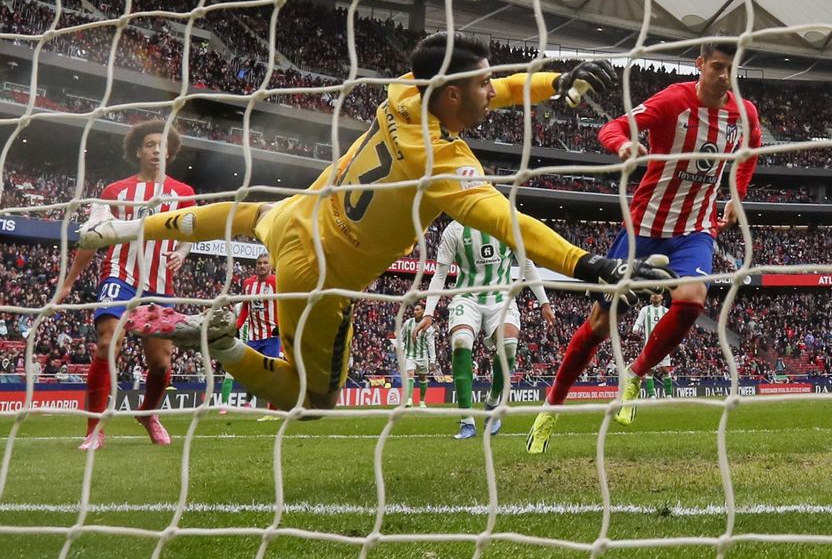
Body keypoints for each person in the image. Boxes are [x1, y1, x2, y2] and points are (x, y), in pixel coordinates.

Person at [78, 33, 669, 412]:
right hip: (319, 276)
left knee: (238, 212)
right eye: (482, 84)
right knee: (311, 399)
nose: (495, 90)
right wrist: (591, 264)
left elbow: (499, 89)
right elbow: (511, 224)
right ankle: (226, 344)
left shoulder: (404, 95)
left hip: (294, 214)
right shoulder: (445, 165)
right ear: (454, 97)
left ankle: (124, 228)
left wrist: (547, 84)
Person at [527, 40, 760, 453]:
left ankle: (633, 376)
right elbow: (611, 127)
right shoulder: (673, 101)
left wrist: (735, 196)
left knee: (691, 300)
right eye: (718, 67)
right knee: (601, 325)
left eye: (732, 69)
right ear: (701, 64)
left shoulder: (743, 113)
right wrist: (624, 146)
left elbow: (750, 151)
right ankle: (550, 409)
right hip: (645, 226)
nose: (725, 77)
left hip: (695, 229)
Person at [53, 120, 195, 449]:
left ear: (170, 152)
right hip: (120, 274)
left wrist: (184, 253)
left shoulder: (184, 193)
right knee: (107, 343)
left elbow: (193, 231)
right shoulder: (114, 192)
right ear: (138, 151)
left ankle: (147, 414)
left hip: (159, 284)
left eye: (162, 144)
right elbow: (90, 238)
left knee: (160, 363)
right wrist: (68, 282)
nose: (157, 149)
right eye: (150, 144)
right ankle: (94, 430)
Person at [422, 218, 557, 438]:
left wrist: (544, 302)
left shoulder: (505, 223)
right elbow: (440, 274)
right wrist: (429, 312)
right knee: (460, 342)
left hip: (501, 297)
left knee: (510, 346)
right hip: (466, 297)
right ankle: (467, 420)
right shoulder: (454, 230)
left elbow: (527, 264)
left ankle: (492, 404)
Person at [217, 253, 280, 417]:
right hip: (253, 337)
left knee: (272, 373)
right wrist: (237, 327)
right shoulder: (248, 284)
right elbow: (245, 307)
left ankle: (272, 411)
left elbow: (285, 304)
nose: (262, 266)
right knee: (243, 369)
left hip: (271, 336)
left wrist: (281, 325)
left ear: (271, 266)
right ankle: (242, 402)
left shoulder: (276, 282)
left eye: (265, 263)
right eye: (259, 263)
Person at [395, 301, 437, 410]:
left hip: (422, 357)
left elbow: (431, 344)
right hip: (409, 355)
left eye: (418, 310)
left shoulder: (428, 327)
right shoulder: (408, 323)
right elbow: (401, 336)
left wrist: (433, 360)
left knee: (423, 378)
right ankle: (409, 400)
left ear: (423, 311)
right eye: (414, 309)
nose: (415, 312)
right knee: (410, 374)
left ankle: (422, 401)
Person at [631, 292, 673, 399]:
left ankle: (668, 395)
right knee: (650, 370)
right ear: (650, 297)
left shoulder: (666, 311)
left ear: (662, 297)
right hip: (649, 345)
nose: (655, 296)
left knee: (665, 369)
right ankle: (652, 395)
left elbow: (671, 326)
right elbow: (638, 323)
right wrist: (635, 329)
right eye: (653, 294)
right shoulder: (645, 310)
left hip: (663, 345)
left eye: (657, 294)